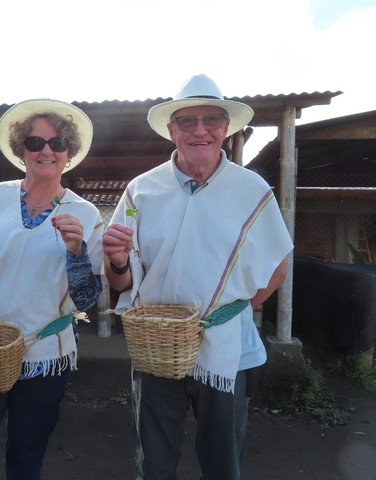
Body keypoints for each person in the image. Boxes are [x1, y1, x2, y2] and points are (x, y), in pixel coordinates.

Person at [102, 74, 293, 480]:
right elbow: (121, 282)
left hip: (226, 351)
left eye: (211, 119)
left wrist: (223, 315)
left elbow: (278, 268)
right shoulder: (140, 192)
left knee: (222, 463)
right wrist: (117, 260)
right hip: (157, 350)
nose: (200, 130)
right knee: (153, 464)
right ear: (172, 131)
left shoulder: (252, 190)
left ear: (226, 128)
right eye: (187, 121)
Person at [0, 99, 104, 480]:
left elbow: (87, 300)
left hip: (45, 356)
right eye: (35, 142)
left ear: (69, 151)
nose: (47, 150)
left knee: (26, 461)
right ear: (20, 149)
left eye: (58, 143)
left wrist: (76, 252)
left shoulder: (86, 214)